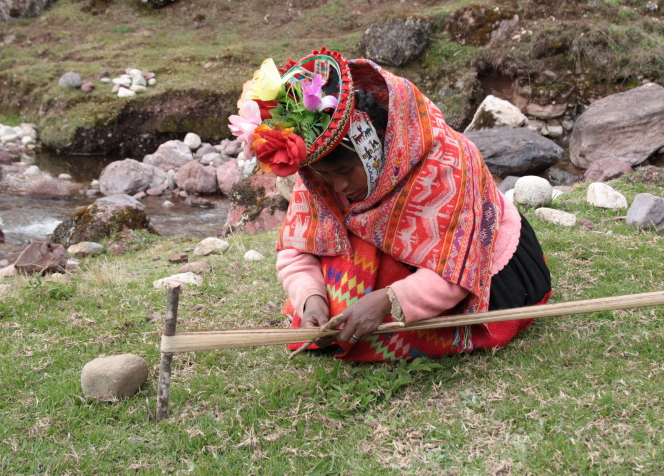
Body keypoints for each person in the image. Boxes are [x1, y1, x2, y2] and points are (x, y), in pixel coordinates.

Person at [229, 48, 552, 362]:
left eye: (344, 172)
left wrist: (388, 301)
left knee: (367, 320)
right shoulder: (320, 176)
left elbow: (458, 269)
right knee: (340, 297)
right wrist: (310, 300)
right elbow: (298, 249)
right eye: (326, 176)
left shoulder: (448, 161)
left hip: (479, 272)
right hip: (409, 259)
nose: (338, 187)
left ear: (372, 149)